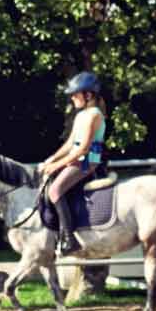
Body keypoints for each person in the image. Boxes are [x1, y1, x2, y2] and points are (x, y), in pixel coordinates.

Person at [40, 71, 107, 255]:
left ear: (88, 95)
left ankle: (70, 240)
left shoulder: (94, 115)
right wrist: (51, 159)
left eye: (75, 94)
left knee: (55, 190)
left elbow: (83, 148)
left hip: (88, 161)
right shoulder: (81, 115)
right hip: (77, 158)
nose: (72, 97)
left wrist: (57, 165)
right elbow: (70, 144)